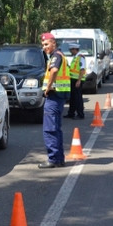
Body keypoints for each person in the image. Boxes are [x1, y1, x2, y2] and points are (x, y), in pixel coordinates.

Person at [39, 32, 71, 169]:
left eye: (46, 44)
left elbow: (54, 71)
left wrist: (48, 87)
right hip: (59, 97)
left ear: (53, 43)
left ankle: (53, 159)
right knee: (56, 129)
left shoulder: (56, 56)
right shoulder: (61, 55)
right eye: (43, 45)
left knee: (49, 129)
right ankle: (59, 159)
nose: (44, 47)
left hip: (54, 96)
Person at [64, 43, 86, 120]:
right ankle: (71, 113)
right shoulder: (75, 57)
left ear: (74, 49)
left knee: (78, 98)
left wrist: (79, 81)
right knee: (72, 98)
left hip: (77, 80)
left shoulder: (80, 57)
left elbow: (82, 70)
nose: (70, 51)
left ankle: (80, 114)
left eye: (71, 50)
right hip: (73, 79)